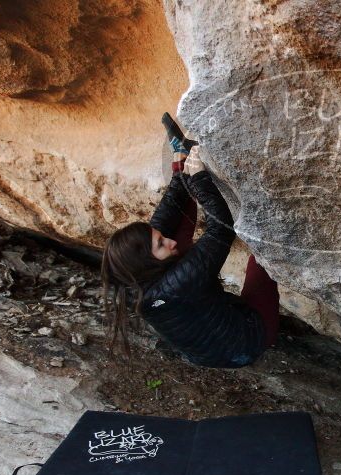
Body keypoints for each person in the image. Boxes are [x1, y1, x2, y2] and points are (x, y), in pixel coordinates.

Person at [100, 113, 279, 367]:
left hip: (204, 343)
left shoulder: (133, 281)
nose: (168, 242)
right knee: (262, 257)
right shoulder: (180, 284)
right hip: (247, 343)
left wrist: (179, 171)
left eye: (160, 239)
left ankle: (183, 159)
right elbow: (220, 230)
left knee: (173, 228)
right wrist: (200, 180)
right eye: (161, 245)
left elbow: (164, 220)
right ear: (146, 262)